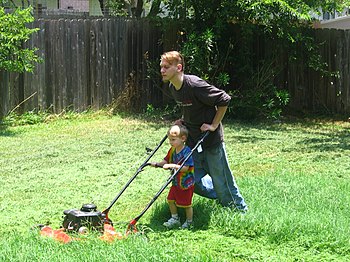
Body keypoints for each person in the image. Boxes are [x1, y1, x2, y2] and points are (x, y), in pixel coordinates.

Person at [159, 50, 248, 212]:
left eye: (166, 67)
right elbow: (192, 107)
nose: (162, 70)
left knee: (222, 180)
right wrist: (183, 120)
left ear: (178, 67)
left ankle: (239, 210)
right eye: (161, 67)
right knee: (190, 178)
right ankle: (221, 195)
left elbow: (224, 99)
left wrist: (214, 125)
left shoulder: (194, 84)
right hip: (194, 140)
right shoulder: (173, 87)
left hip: (211, 140)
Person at [151, 124, 195, 229]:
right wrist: (157, 164)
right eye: (170, 139)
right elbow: (166, 160)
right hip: (175, 181)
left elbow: (185, 168)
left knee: (186, 204)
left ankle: (189, 222)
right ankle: (175, 219)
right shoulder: (172, 150)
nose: (171, 142)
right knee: (170, 199)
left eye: (173, 139)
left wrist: (171, 166)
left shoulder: (187, 152)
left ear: (183, 138)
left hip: (185, 183)